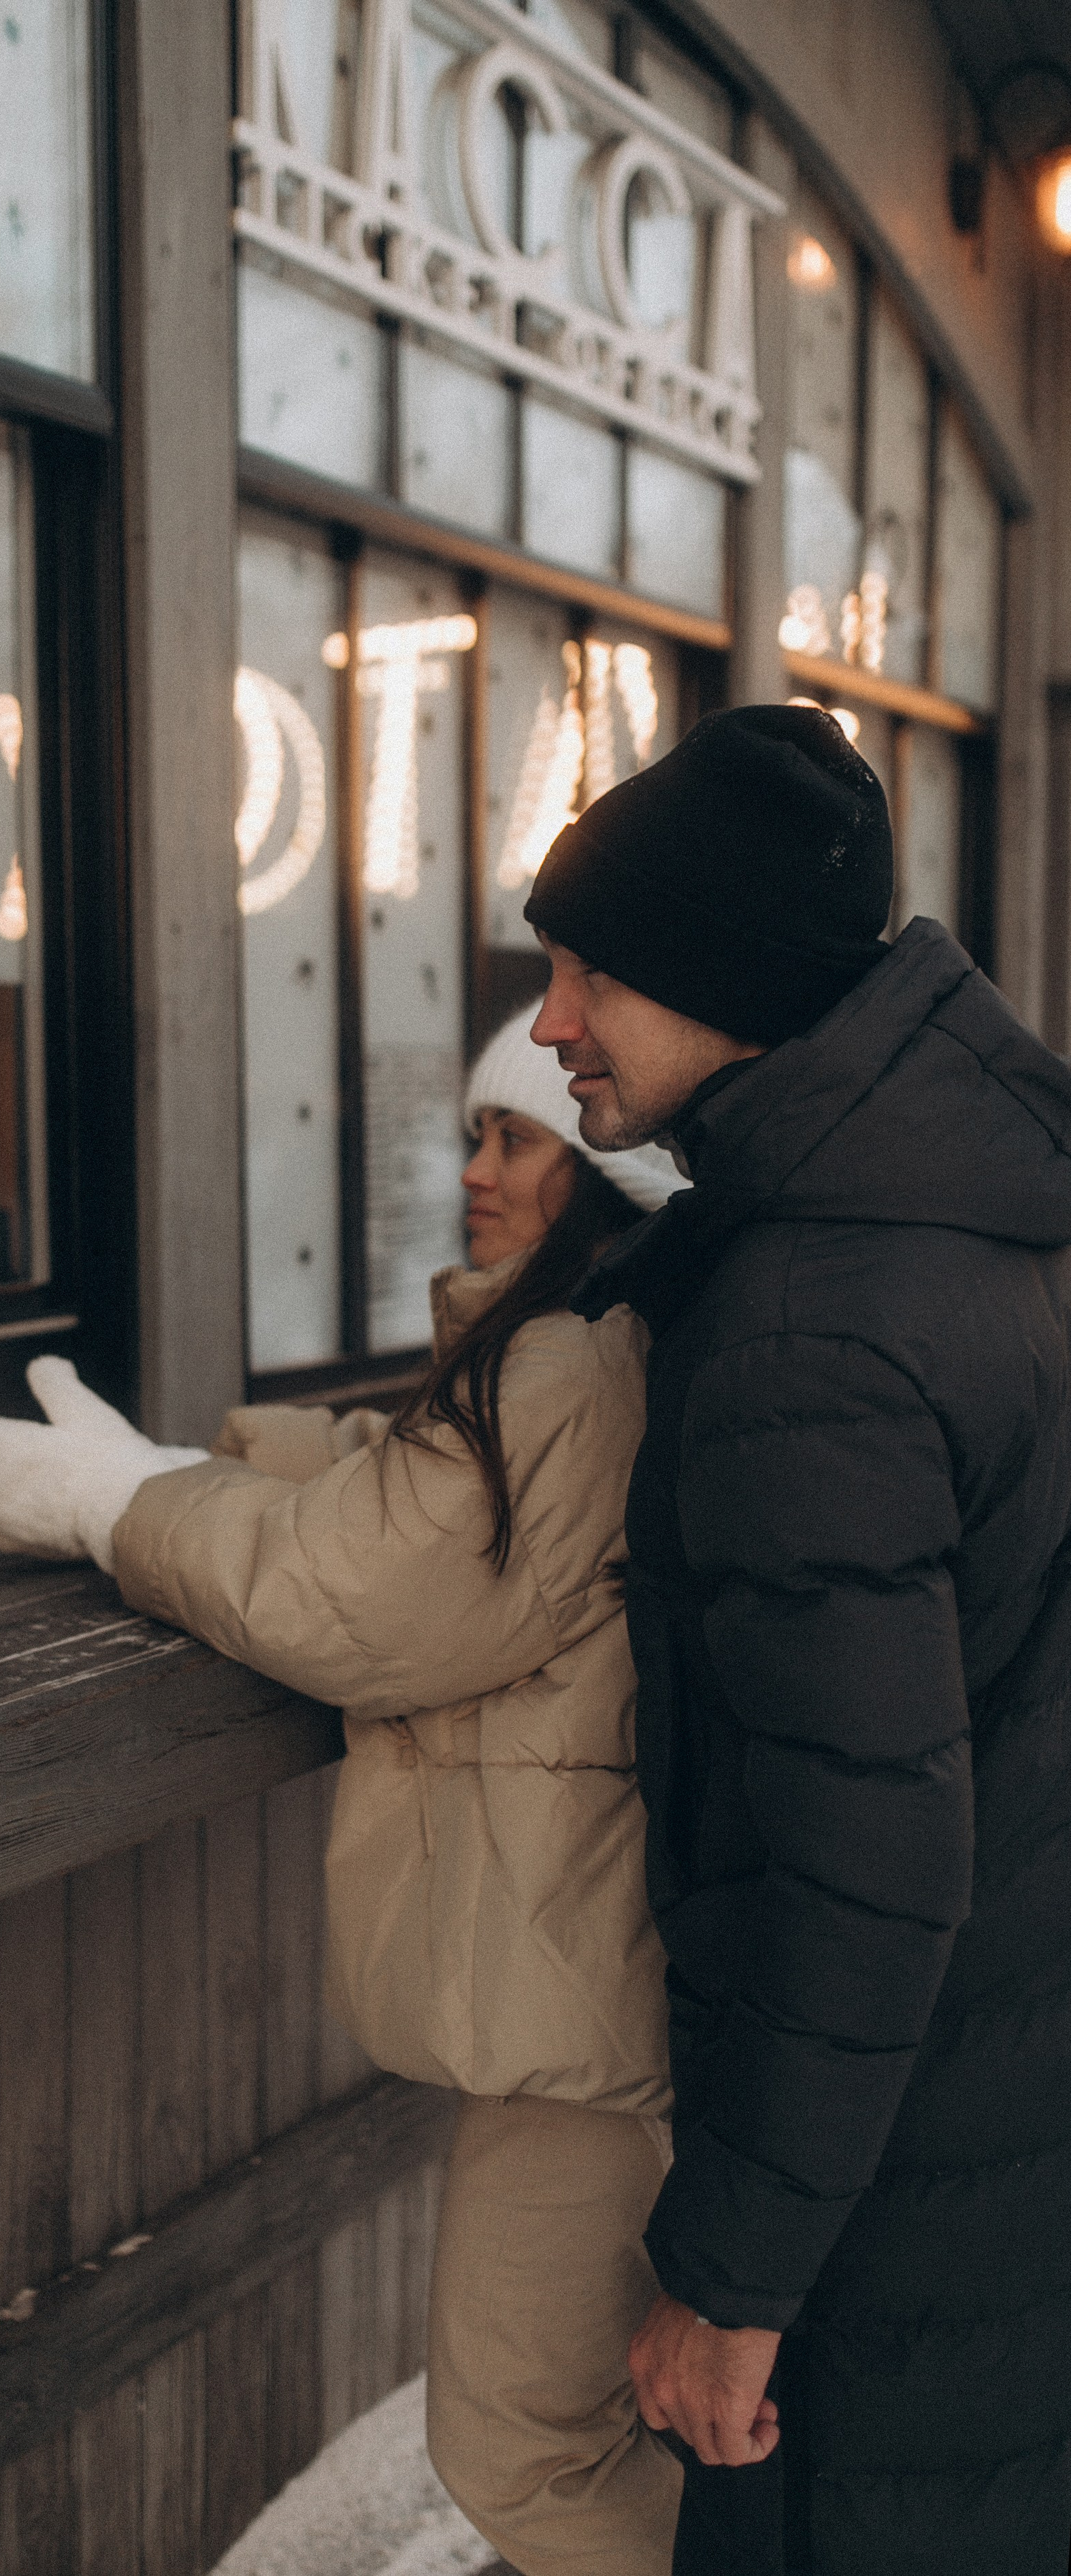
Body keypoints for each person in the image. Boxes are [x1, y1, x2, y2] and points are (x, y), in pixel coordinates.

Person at [0, 1013, 687, 2575]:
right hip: (605, 1966)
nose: (474, 1172)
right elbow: (402, 1477)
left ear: (602, 1171)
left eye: (517, 1139)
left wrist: (114, 1500)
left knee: (519, 2440)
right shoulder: (590, 1342)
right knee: (595, 2414)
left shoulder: (569, 1365)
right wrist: (209, 1453)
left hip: (589, 1996)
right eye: (471, 1132)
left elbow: (354, 1588)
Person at [517, 701, 1071, 2575]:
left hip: (893, 2214)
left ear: (719, 979)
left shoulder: (807, 1336)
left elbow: (866, 1861)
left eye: (587, 967)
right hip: (992, 2122)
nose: (547, 1021)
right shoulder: (975, 1223)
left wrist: (728, 2278)